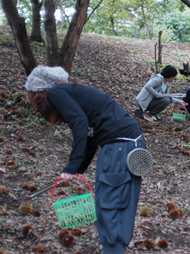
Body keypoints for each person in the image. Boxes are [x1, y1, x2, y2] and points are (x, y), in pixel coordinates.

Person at [25, 65, 146, 254]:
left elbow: (79, 122)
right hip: (128, 144)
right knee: (119, 205)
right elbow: (91, 135)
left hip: (120, 147)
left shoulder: (56, 92)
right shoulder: (73, 94)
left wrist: (72, 165)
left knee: (110, 206)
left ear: (39, 92)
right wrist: (79, 168)